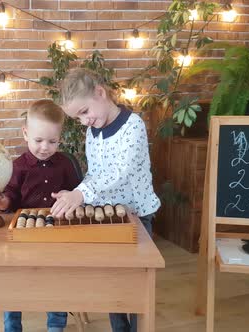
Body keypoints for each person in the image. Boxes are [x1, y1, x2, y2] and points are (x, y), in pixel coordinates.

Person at [49, 68, 161, 332]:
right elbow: (96, 173)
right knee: (115, 285)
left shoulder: (133, 126)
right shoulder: (93, 131)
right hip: (109, 217)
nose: (84, 121)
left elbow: (119, 171)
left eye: (85, 112)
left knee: (135, 288)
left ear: (100, 93)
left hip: (136, 217)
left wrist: (81, 193)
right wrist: (76, 191)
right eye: (78, 117)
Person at [0, 99, 80, 332]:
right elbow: (11, 196)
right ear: (25, 133)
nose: (45, 147)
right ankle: (12, 327)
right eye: (38, 140)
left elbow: (77, 192)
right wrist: (4, 202)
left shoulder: (65, 165)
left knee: (56, 282)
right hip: (23, 237)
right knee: (13, 283)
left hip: (57, 235)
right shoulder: (18, 166)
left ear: (61, 137)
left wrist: (72, 196)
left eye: (53, 141)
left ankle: (56, 326)